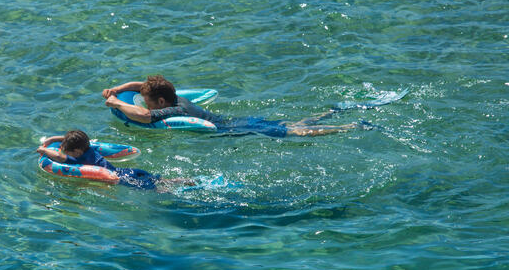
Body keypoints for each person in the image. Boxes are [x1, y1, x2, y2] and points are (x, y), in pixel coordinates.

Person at [103, 75, 368, 137]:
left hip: (234, 131)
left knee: (292, 132)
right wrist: (119, 89)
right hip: (236, 120)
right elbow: (142, 86)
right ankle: (333, 111)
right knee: (288, 125)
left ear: (161, 102)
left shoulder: (176, 110)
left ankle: (347, 126)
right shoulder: (177, 98)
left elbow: (145, 116)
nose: (144, 99)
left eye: (150, 100)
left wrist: (115, 102)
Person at [37, 130, 193, 192]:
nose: (64, 151)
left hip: (122, 179)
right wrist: (53, 139)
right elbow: (72, 140)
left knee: (155, 189)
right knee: (159, 180)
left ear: (76, 152)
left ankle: (176, 191)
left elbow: (58, 158)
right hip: (128, 172)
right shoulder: (89, 149)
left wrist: (43, 150)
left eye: (67, 150)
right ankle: (183, 180)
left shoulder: (77, 158)